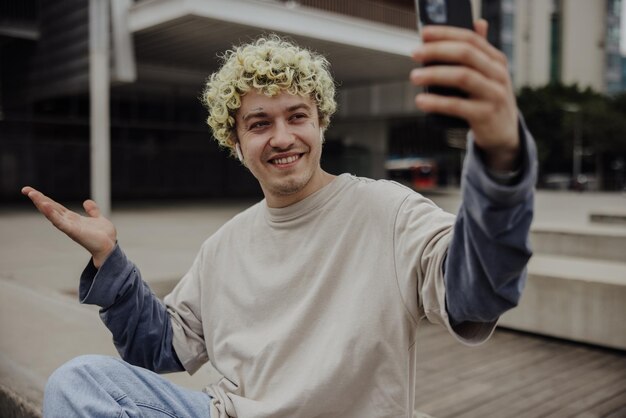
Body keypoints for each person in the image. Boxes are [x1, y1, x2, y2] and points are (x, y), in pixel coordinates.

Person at [23, 20, 536, 418]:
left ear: (320, 123)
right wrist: (109, 260)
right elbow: (160, 346)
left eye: (297, 116)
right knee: (78, 380)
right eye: (260, 124)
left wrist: (499, 160)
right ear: (236, 142)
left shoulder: (389, 211)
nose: (283, 137)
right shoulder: (225, 245)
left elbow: (477, 290)